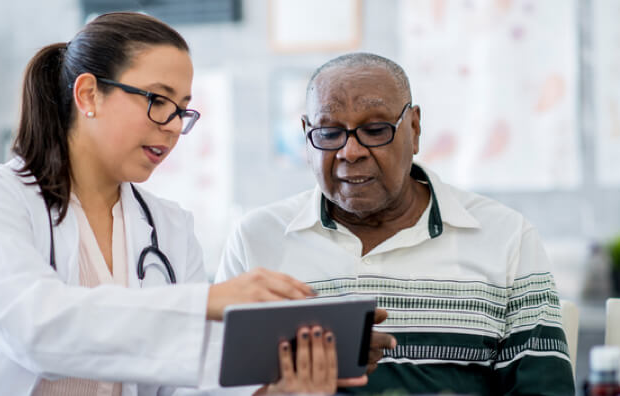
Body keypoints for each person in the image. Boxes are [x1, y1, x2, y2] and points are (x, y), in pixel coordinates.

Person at [0, 12, 352, 396]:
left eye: (182, 110)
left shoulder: (168, 226)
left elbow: (179, 385)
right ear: (89, 94)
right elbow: (34, 329)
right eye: (157, 101)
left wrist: (275, 391)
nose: (170, 128)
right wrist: (203, 303)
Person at [216, 53, 575, 395]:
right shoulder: (256, 240)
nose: (350, 152)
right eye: (329, 134)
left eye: (375, 130)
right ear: (307, 135)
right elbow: (213, 387)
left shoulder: (506, 237)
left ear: (414, 128)